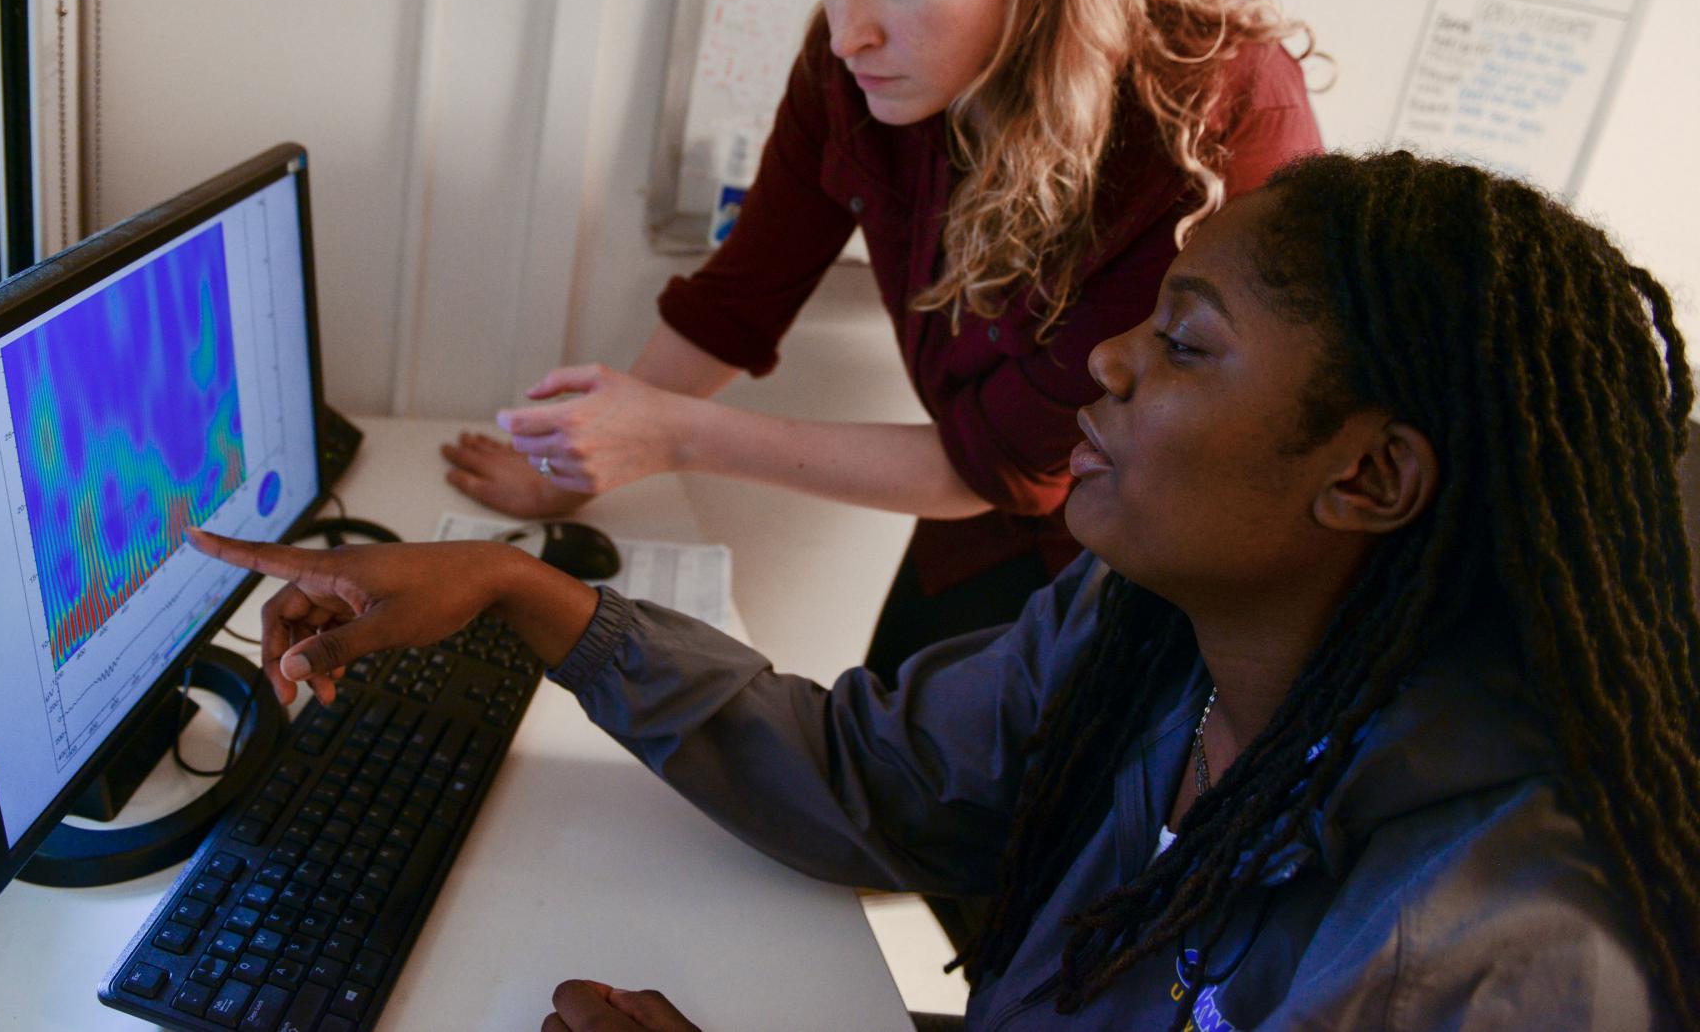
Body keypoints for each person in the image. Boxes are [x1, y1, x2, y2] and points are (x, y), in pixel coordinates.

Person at [192, 151, 1700, 1029]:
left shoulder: (1502, 962)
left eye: (1185, 338)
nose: (1108, 357)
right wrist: (524, 591)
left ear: (1368, 480)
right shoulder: (1150, 634)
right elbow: (873, 774)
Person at [439, 0, 1324, 687]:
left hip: (1174, 579)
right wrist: (575, 457)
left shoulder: (1208, 113)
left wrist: (670, 434)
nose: (847, 27)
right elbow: (742, 295)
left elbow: (1007, 464)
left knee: (1041, 825)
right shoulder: (853, 67)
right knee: (893, 788)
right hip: (986, 535)